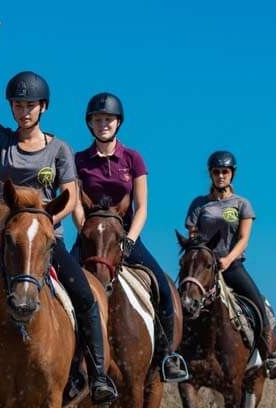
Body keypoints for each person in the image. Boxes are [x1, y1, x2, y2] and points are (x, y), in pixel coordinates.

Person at [0, 18, 118, 408]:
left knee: (85, 298)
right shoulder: (1, 141)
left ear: (43, 107)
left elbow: (69, 194)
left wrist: (43, 224)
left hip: (48, 240)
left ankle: (97, 375)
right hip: (6, 240)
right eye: (18, 104)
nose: (24, 110)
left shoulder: (59, 149)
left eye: (30, 104)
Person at [72, 92, 190, 382]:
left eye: (108, 119)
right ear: (90, 123)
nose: (104, 124)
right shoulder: (78, 160)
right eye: (98, 119)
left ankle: (166, 356)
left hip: (124, 238)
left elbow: (142, 207)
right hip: (91, 237)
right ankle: (69, 356)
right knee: (62, 285)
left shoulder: (133, 159)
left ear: (118, 122)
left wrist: (130, 239)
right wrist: (83, 231)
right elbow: (74, 201)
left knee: (162, 288)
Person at [184, 151, 276, 379]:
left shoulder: (242, 204)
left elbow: (243, 238)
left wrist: (228, 259)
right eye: (216, 172)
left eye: (225, 171)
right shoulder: (199, 204)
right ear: (210, 174)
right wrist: (203, 259)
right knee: (181, 302)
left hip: (231, 265)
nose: (221, 176)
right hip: (202, 268)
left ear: (232, 174)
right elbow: (192, 236)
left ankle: (269, 356)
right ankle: (174, 356)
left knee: (258, 304)